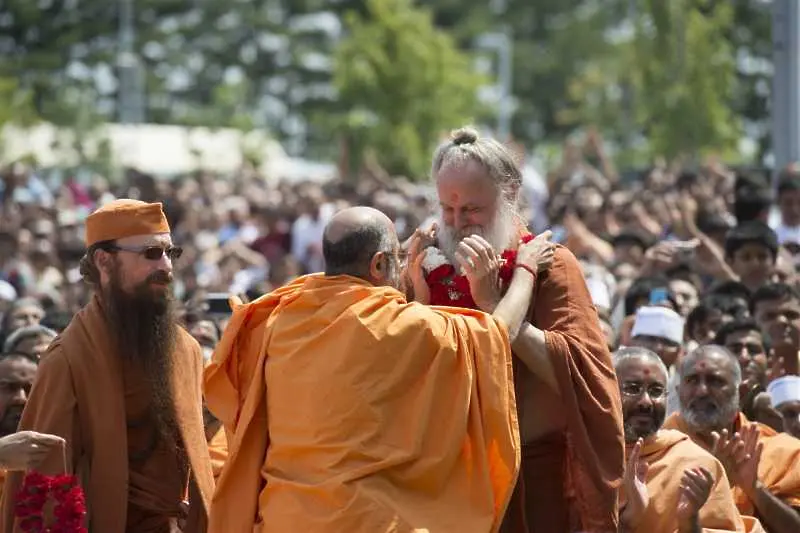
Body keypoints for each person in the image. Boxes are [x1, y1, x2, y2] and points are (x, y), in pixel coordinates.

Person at [204, 206, 555, 533]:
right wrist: (525, 269)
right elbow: (497, 335)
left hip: (287, 519)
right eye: (398, 259)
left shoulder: (280, 318)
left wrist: (407, 278)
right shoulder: (404, 326)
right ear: (377, 265)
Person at [413, 127, 624, 532]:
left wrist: (498, 305)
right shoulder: (426, 265)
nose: (458, 224)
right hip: (445, 482)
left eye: (472, 210)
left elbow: (582, 378)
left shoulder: (551, 266)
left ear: (509, 194)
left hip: (533, 482)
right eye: (447, 209)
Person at [1, 199, 214, 533]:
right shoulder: (68, 359)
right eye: (151, 253)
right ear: (104, 261)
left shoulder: (185, 350)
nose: (167, 267)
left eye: (171, 253)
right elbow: (47, 485)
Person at [664, 345, 800, 533]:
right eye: (692, 380)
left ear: (742, 392)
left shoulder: (781, 451)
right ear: (679, 391)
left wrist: (755, 489)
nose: (702, 391)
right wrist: (715, 479)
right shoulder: (656, 449)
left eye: (715, 381)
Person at [613, 347, 746, 533]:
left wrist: (689, 522)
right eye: (633, 389)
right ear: (605, 391)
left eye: (656, 391)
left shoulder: (697, 466)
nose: (646, 401)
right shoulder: (577, 454)